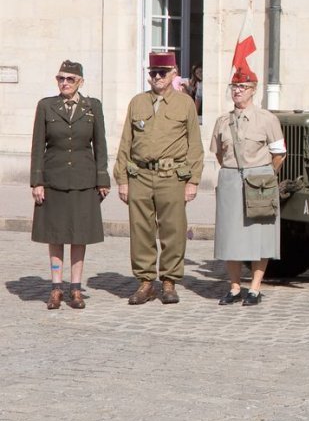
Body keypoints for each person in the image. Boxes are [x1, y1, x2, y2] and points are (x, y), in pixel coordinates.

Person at [114, 51, 204, 305]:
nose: (157, 77)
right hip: (140, 174)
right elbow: (125, 143)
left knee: (173, 230)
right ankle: (145, 282)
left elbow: (195, 146)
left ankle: (169, 280)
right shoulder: (137, 102)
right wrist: (122, 179)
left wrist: (193, 181)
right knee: (140, 230)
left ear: (173, 73)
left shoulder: (185, 103)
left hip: (171, 176)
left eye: (162, 73)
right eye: (153, 73)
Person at [29, 61, 110, 310]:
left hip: (83, 180)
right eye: (60, 78)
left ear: (80, 82)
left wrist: (102, 178)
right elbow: (37, 147)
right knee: (55, 234)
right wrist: (37, 181)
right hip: (54, 180)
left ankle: (75, 288)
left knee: (79, 234)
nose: (64, 83)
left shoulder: (92, 107)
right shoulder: (46, 106)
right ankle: (56, 288)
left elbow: (100, 145)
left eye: (70, 79)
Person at [210, 67, 286, 306]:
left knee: (259, 234)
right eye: (234, 87)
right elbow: (219, 154)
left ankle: (254, 288)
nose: (237, 91)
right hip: (231, 179)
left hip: (259, 181)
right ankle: (234, 287)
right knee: (229, 235)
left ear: (253, 90)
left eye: (242, 87)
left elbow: (279, 153)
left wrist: (264, 174)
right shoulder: (222, 121)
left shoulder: (267, 119)